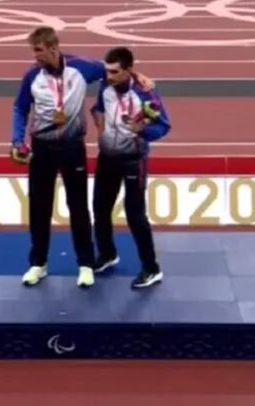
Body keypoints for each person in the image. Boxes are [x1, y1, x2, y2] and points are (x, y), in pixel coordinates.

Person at [10, 26, 153, 288]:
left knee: (78, 207)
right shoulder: (32, 76)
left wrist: (137, 76)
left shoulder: (81, 68)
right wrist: (17, 140)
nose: (35, 56)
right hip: (42, 148)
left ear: (53, 48)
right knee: (39, 206)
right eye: (34, 51)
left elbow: (114, 70)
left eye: (39, 50)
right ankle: (38, 264)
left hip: (72, 147)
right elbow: (20, 108)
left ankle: (85, 264)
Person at [90, 46, 171, 289]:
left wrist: (142, 131)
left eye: (115, 72)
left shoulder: (146, 94)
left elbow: (163, 126)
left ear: (128, 70)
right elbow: (98, 108)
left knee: (135, 215)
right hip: (108, 156)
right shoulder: (105, 87)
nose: (109, 76)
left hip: (134, 159)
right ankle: (107, 254)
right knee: (100, 207)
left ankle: (151, 268)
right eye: (107, 71)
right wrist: (101, 130)